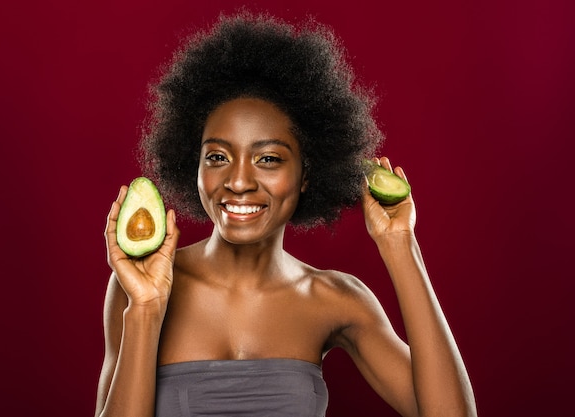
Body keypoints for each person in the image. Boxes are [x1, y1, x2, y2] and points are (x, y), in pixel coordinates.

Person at [94, 11, 477, 417]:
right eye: (218, 156)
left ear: (306, 174)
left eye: (269, 159)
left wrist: (401, 246)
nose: (239, 181)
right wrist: (147, 309)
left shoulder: (336, 299)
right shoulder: (138, 285)